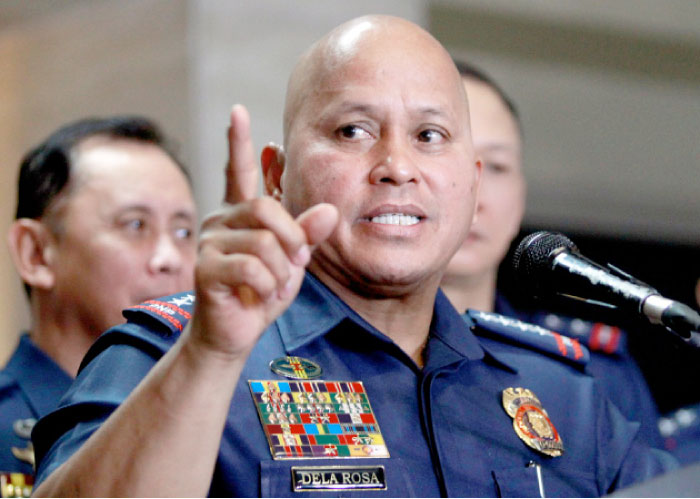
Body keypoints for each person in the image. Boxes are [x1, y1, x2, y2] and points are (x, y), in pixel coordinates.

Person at [33, 16, 673, 497]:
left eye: (429, 136)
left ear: (472, 181)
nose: (397, 167)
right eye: (352, 131)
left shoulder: (561, 395)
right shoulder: (171, 357)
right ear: (276, 177)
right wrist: (210, 356)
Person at [441, 61, 664, 449]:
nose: (474, 197)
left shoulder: (592, 374)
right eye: (446, 157)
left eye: (496, 166)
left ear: (521, 196)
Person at [0, 116, 197, 493]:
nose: (170, 257)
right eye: (135, 225)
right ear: (37, 253)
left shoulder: (204, 421)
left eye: (184, 231)